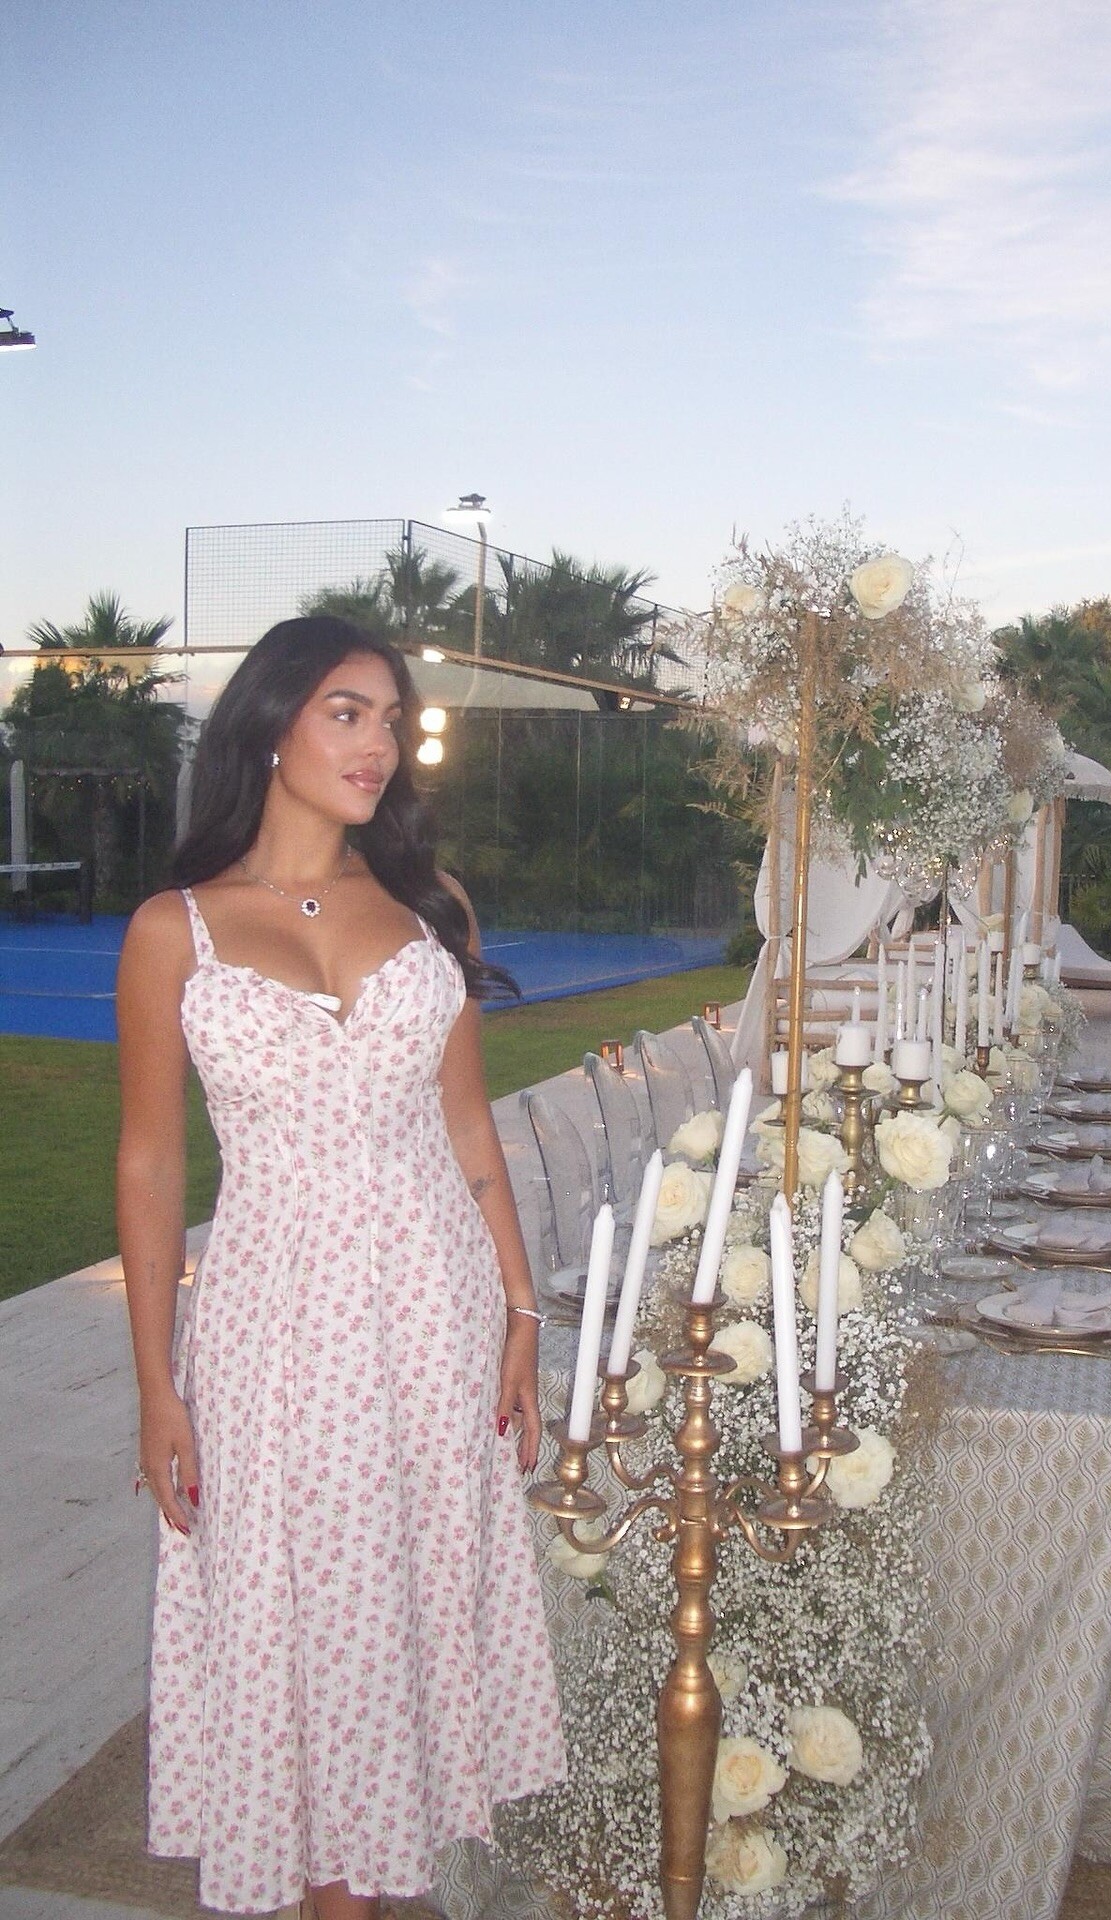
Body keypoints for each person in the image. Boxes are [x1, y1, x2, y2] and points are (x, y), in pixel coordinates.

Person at [116, 615, 566, 1919]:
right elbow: (150, 1165)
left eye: (391, 722)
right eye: (347, 713)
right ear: (272, 726)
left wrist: (521, 1311)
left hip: (431, 1319)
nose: (379, 746)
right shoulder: (176, 931)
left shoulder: (428, 910)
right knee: (303, 1633)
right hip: (275, 1334)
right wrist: (156, 1385)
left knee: (395, 1633)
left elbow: (469, 1130)